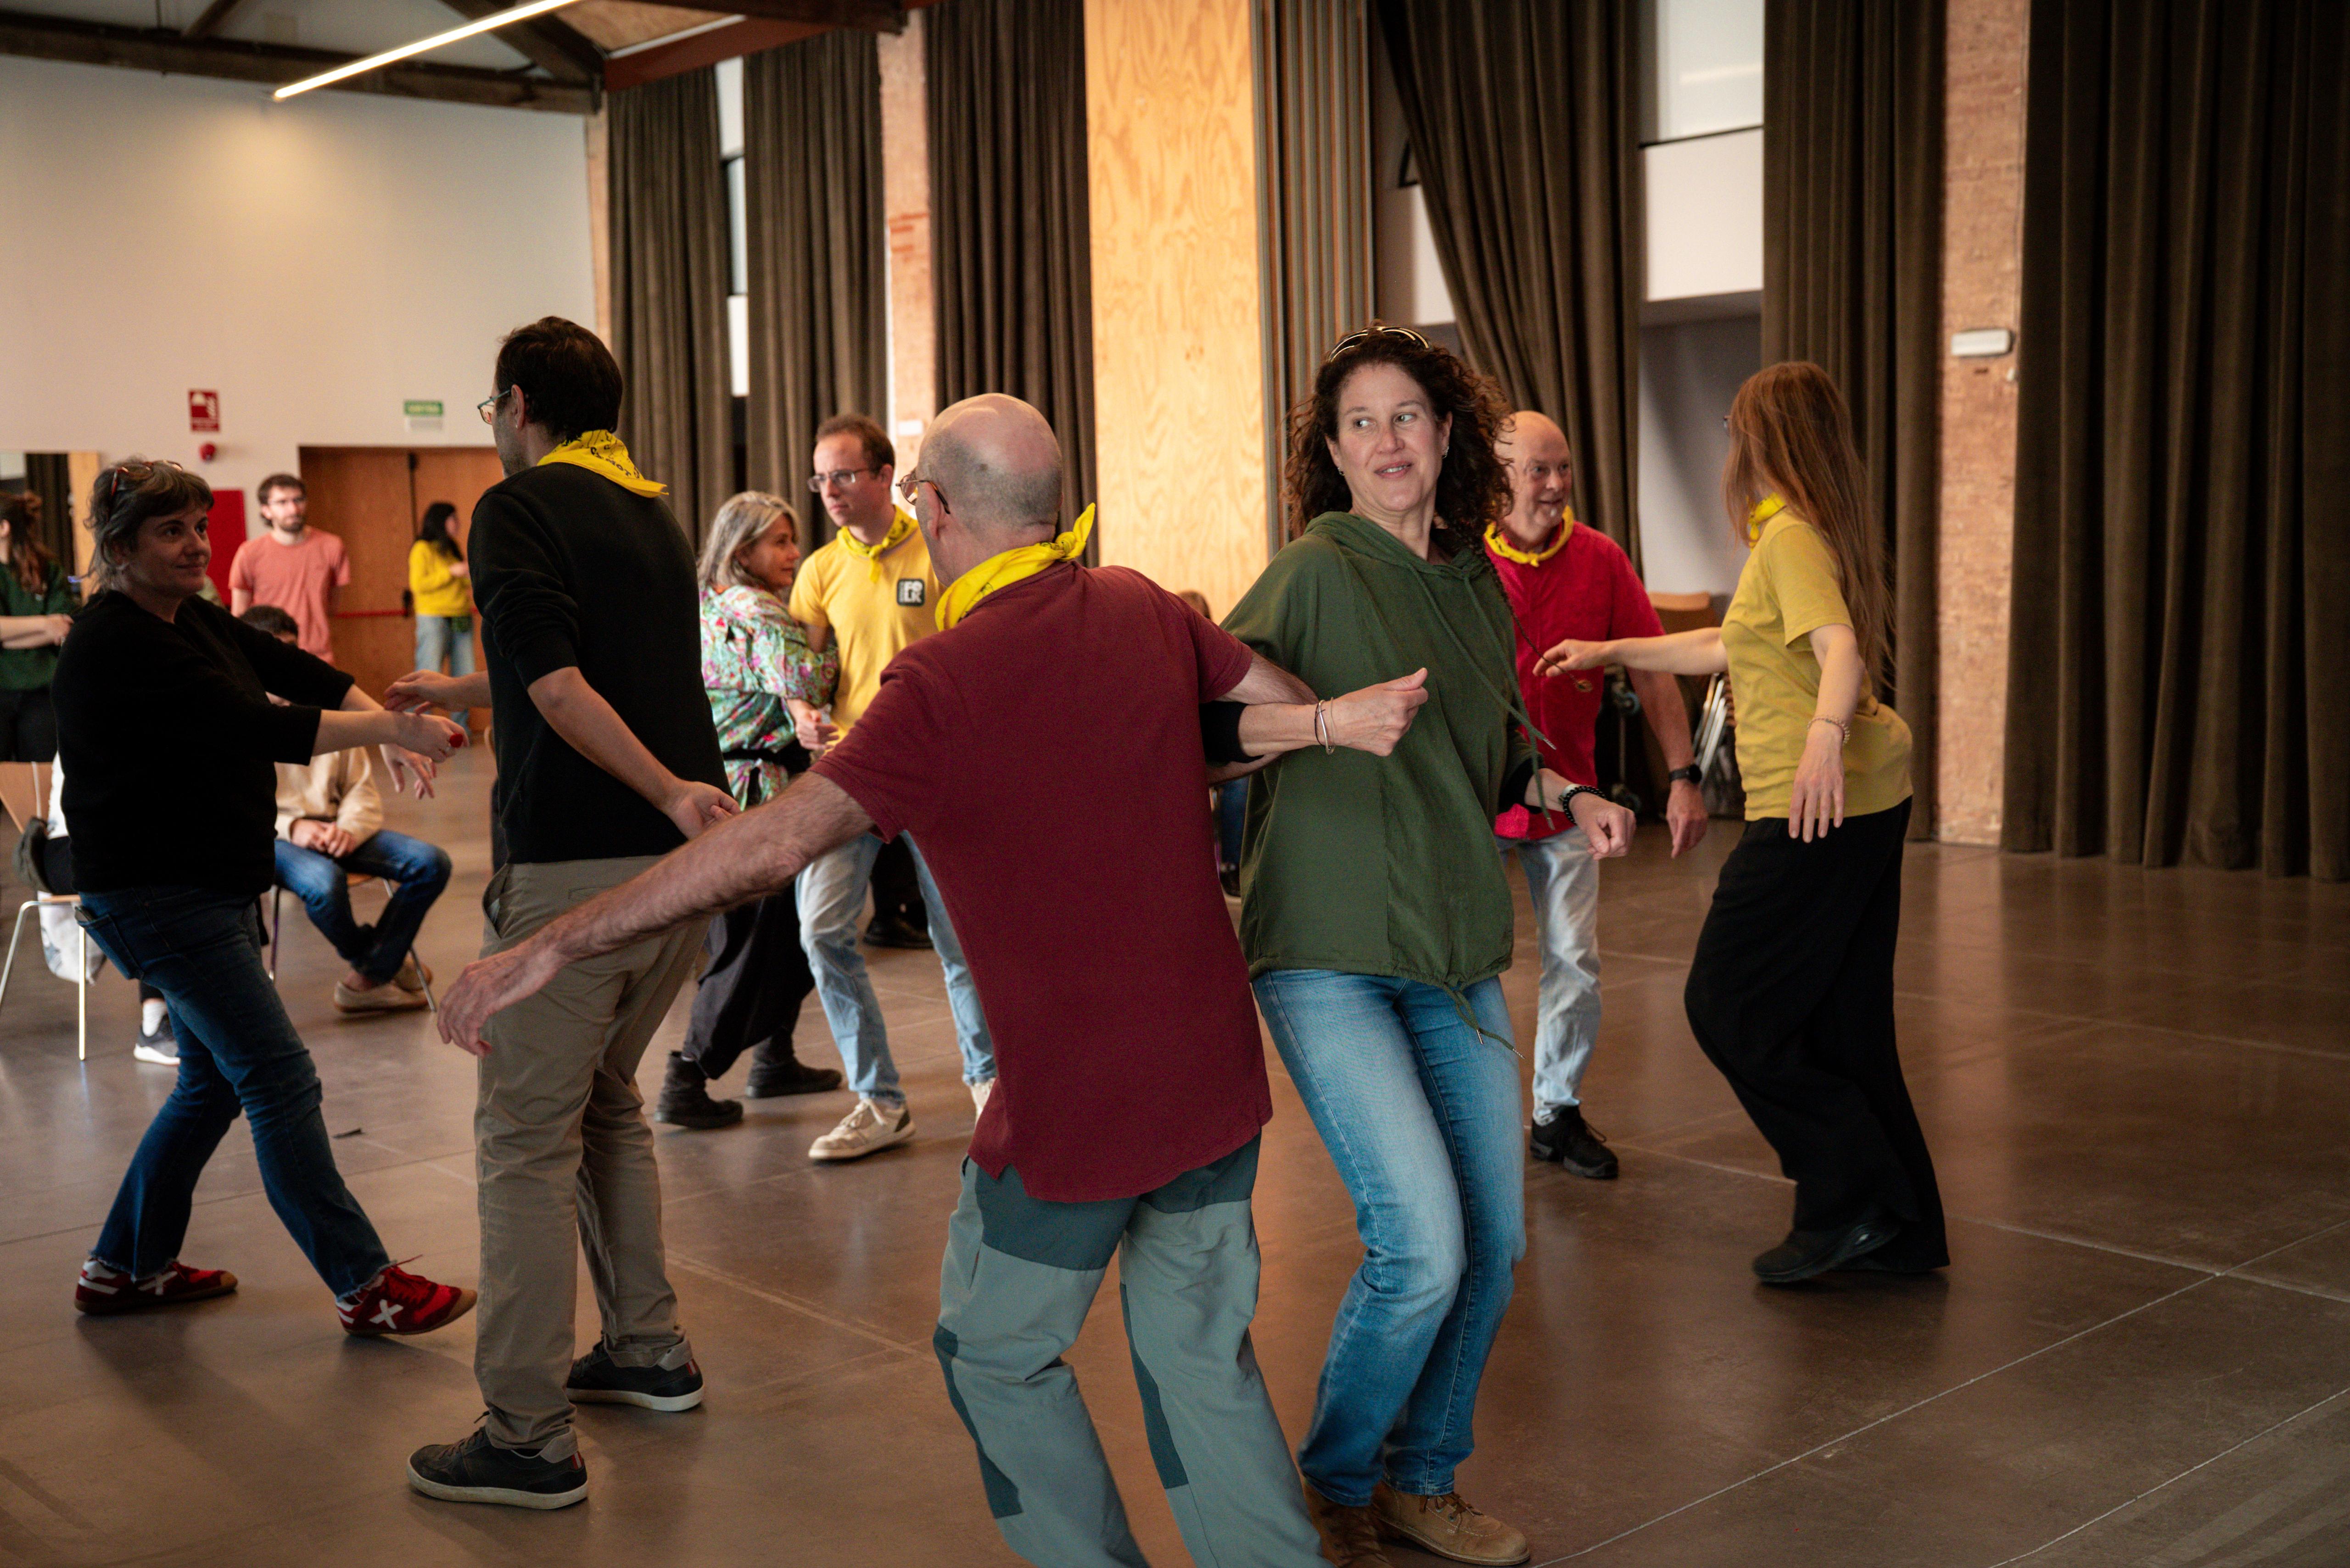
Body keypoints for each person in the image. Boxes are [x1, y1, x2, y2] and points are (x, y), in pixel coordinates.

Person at [429, 391, 1432, 1568]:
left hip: (1075, 1113)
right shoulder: (1144, 606)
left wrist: (553, 942)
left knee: (995, 1352)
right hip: (1210, 1076)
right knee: (1201, 1356)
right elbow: (1275, 708)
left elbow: (764, 848)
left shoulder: (940, 686)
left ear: (935, 508)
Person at [1223, 325, 1636, 1568]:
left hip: (1452, 948)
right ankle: (1335, 1483)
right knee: (1420, 1245)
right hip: (1330, 946)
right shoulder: (1311, 571)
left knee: (1493, 1248)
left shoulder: (1474, 586)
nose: (1387, 440)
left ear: (1448, 434)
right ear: (1334, 450)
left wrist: (1571, 791)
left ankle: (1423, 1478)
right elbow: (1199, 731)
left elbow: (1495, 755)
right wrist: (1323, 723)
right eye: (1360, 422)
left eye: (1407, 415)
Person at [386, 316, 738, 1512]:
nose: (493, 428)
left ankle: (526, 1435)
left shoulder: (516, 506)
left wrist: (668, 786)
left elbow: (560, 683)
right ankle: (646, 1347)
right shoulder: (650, 510)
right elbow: (582, 666)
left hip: (577, 872)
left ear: (520, 404)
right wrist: (460, 685)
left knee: (524, 1143)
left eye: (492, 409)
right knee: (604, 1105)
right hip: (673, 882)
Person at [1536, 360, 1946, 1284]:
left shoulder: (1790, 537)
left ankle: (1853, 1194)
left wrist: (1822, 739)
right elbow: (1728, 642)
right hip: (1865, 796)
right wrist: (1610, 648)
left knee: (1726, 1005)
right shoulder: (1800, 532)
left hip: (1815, 805)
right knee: (1845, 1022)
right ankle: (1903, 1226)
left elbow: (1839, 650)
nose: (1730, 443)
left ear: (1764, 439)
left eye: (1734, 427)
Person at [50, 456, 474, 1340]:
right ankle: (366, 1283)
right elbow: (258, 724)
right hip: (162, 899)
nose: (196, 545)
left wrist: (381, 721)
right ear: (120, 549)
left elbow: (291, 666)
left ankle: (124, 1266)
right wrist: (393, 724)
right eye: (171, 531)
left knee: (211, 1083)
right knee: (278, 1076)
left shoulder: (190, 615)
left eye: (200, 527)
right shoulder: (116, 640)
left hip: (206, 886)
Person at [1488, 411, 1709, 1180]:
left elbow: (1653, 668)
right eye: (1538, 470)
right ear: (1500, 479)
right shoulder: (1461, 563)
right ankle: (1468, 1114)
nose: (1555, 485)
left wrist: (1683, 776)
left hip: (1570, 801)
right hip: (1476, 798)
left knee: (1574, 960)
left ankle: (1556, 1112)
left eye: (1564, 468)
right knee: (1465, 967)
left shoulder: (1601, 559)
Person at [787, 411, 995, 1162]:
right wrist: (803, 714)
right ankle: (878, 1100)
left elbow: (979, 650)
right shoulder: (819, 570)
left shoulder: (940, 550)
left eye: (845, 474)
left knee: (960, 938)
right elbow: (805, 674)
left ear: (884, 476)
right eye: (821, 478)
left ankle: (990, 1083)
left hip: (940, 770)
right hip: (854, 771)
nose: (831, 490)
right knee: (820, 931)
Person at [657, 490, 845, 1130]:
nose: (794, 553)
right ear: (743, 551)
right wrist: (837, 638)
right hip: (760, 794)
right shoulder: (759, 609)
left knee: (775, 932)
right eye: (780, 542)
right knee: (755, 941)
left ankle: (774, 1058)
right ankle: (687, 1075)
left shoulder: (706, 602)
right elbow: (806, 681)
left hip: (724, 787)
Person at [238, 603, 451, 1014]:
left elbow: (360, 789)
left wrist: (349, 829)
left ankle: (370, 972)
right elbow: (241, 807)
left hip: (337, 827)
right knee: (325, 882)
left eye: (290, 656)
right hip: (274, 837)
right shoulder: (243, 719)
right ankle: (382, 963)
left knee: (431, 863)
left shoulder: (327, 716)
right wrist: (295, 827)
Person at [31, 749, 178, 1064]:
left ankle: (206, 1009)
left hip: (123, 843)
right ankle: (155, 1022)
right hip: (69, 843)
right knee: (152, 870)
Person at [229, 473, 347, 661]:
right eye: (282, 502)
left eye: (298, 500)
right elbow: (239, 616)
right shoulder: (249, 553)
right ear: (266, 510)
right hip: (268, 655)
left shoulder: (332, 546)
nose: (293, 509)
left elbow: (333, 607)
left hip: (318, 655)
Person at [1181, 588, 1248, 896]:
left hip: (1210, 743)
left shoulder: (1219, 653)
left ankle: (1231, 865)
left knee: (1241, 784)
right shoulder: (1161, 654)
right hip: (1180, 747)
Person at [0, 490, 74, 761]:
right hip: (2, 689)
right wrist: (44, 624)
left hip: (42, 693)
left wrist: (8, 634)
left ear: (3, 528)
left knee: (42, 773)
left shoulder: (47, 568)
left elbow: (63, 628)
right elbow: (53, 626)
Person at [408, 500, 476, 704]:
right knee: (428, 674)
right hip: (434, 618)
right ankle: (418, 723)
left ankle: (461, 724)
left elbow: (462, 582)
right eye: (453, 518)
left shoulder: (451, 548)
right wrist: (450, 572)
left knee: (465, 677)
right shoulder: (421, 548)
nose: (458, 522)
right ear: (440, 521)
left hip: (461, 616)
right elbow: (419, 585)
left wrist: (469, 573)